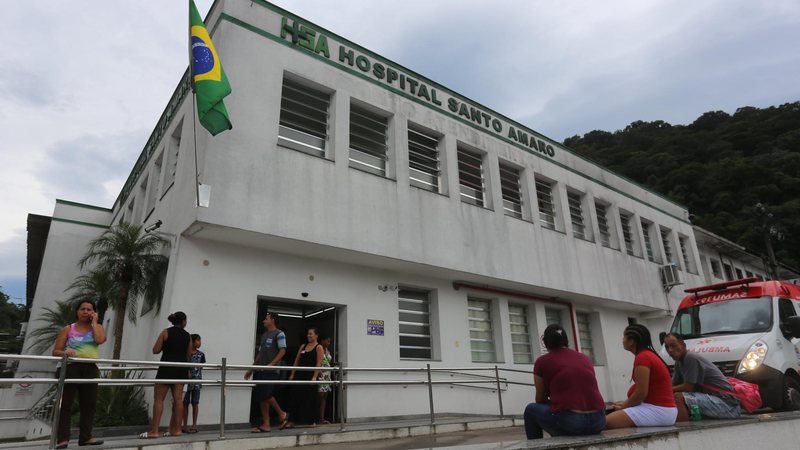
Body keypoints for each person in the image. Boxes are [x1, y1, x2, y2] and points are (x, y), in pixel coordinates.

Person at [523, 324, 606, 439]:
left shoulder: (541, 362)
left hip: (572, 422)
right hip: (599, 421)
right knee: (558, 411)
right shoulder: (584, 358)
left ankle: (536, 446)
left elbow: (540, 399)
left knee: (530, 410)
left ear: (545, 342)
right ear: (566, 341)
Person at [52, 300, 107, 449]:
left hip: (90, 367)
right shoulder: (68, 328)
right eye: (82, 309)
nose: (85, 312)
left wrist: (95, 322)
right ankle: (62, 439)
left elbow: (100, 340)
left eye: (89, 309)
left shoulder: (98, 328)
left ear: (94, 312)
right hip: (70, 367)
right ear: (77, 312)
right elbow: (55, 351)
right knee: (65, 404)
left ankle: (86, 437)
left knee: (89, 404)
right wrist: (65, 352)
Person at [606, 324, 677, 429]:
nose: (622, 340)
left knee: (603, 422)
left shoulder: (643, 357)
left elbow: (641, 393)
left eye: (624, 337)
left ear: (632, 341)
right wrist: (623, 404)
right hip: (661, 410)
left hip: (659, 410)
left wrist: (623, 408)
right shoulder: (648, 354)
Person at [664, 333, 741, 420]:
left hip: (728, 406)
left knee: (678, 397)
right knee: (672, 395)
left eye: (673, 345)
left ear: (683, 345)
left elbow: (688, 387)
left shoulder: (690, 357)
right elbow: (673, 384)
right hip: (715, 401)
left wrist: (666, 390)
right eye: (667, 347)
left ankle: (684, 430)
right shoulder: (679, 362)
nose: (670, 350)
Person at [140, 312, 191, 439]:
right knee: (178, 400)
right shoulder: (188, 336)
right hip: (181, 369)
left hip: (166, 368)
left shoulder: (165, 332)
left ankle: (155, 431)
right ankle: (177, 430)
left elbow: (155, 350)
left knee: (159, 400)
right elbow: (188, 355)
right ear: (183, 321)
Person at [245, 312, 290, 432]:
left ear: (273, 320)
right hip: (261, 369)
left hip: (272, 371)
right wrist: (252, 369)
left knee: (266, 394)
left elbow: (282, 351)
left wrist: (272, 364)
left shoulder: (279, 334)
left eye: (266, 318)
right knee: (261, 397)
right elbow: (260, 354)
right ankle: (266, 424)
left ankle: (282, 414)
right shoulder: (264, 335)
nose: (264, 320)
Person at [288, 327, 325, 426]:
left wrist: (314, 376)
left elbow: (319, 363)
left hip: (310, 375)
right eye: (307, 334)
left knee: (310, 398)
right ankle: (292, 420)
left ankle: (311, 420)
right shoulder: (303, 346)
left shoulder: (319, 347)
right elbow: (296, 360)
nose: (308, 335)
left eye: (310, 334)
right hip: (299, 374)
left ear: (316, 335)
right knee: (294, 396)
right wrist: (292, 374)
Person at [182, 334, 206, 433]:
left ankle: (194, 425)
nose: (200, 343)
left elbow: (202, 366)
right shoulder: (185, 353)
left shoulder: (201, 354)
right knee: (185, 403)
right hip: (186, 382)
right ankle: (185, 425)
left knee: (195, 403)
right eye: (198, 340)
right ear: (192, 341)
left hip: (197, 381)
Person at [317, 333, 334, 425]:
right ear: (322, 340)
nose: (329, 343)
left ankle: (321, 418)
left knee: (324, 398)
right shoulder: (318, 348)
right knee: (318, 397)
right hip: (320, 375)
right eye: (327, 341)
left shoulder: (327, 350)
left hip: (327, 376)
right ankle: (314, 417)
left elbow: (328, 361)